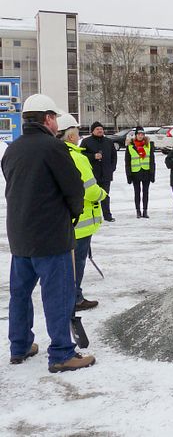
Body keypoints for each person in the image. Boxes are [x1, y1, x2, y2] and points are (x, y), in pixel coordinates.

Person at [3, 94, 94, 372]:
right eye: (54, 117)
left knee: (20, 294)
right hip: (51, 238)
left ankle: (20, 346)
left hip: (20, 238)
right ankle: (62, 353)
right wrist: (74, 213)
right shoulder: (55, 149)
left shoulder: (12, 149)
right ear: (48, 119)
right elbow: (74, 189)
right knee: (57, 295)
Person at [57, 114, 108, 312]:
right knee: (77, 263)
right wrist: (102, 194)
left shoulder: (56, 155)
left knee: (65, 263)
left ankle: (67, 297)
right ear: (70, 136)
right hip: (81, 221)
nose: (79, 136)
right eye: (77, 133)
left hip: (63, 220)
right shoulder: (77, 157)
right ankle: (75, 299)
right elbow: (90, 189)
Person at [80, 120, 118, 222]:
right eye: (97, 129)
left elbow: (114, 156)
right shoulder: (86, 142)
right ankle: (92, 216)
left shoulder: (109, 142)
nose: (100, 130)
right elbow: (81, 155)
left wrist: (112, 168)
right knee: (92, 196)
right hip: (92, 175)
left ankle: (107, 216)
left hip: (106, 174)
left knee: (105, 195)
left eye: (101, 129)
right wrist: (93, 156)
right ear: (93, 131)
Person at [124, 126, 156, 218]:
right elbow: (127, 162)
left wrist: (152, 173)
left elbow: (152, 161)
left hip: (146, 171)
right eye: (139, 134)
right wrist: (128, 175)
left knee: (145, 192)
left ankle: (145, 211)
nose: (141, 136)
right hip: (135, 173)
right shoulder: (130, 146)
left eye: (142, 134)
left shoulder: (148, 145)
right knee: (137, 192)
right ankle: (138, 211)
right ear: (136, 135)